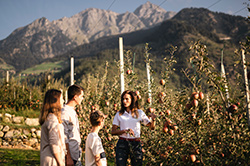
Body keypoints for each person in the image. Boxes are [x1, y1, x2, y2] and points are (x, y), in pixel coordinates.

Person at [111, 90, 156, 166]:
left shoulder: (139, 113)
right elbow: (113, 131)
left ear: (132, 100)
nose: (124, 101)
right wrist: (124, 131)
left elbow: (151, 127)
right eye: (123, 99)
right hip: (122, 143)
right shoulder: (119, 114)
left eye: (127, 99)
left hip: (135, 143)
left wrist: (153, 120)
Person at [39, 89, 66, 166]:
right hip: (52, 159)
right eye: (61, 99)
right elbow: (54, 142)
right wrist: (60, 162)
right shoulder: (52, 119)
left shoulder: (50, 118)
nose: (63, 101)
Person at [61, 84, 84, 166]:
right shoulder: (65, 113)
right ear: (75, 97)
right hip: (70, 156)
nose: (82, 98)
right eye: (81, 96)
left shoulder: (72, 111)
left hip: (75, 153)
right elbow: (64, 136)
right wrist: (68, 157)